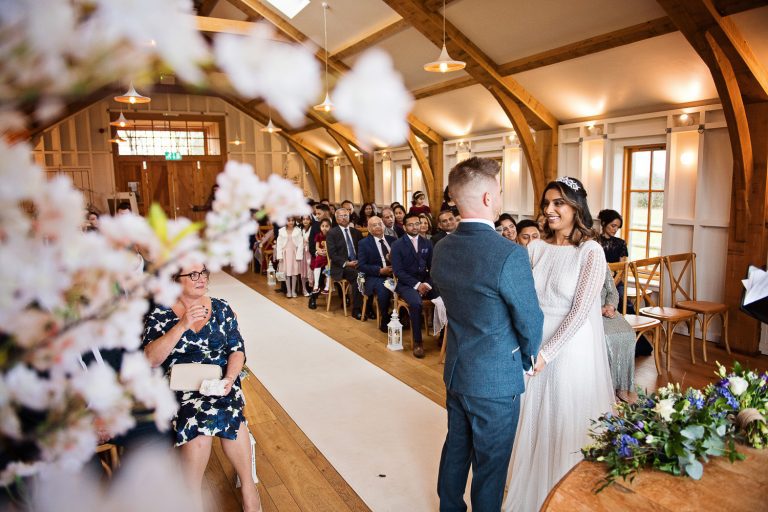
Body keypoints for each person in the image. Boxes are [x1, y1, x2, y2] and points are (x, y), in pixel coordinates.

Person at [432, 157, 543, 511]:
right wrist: (528, 356)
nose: (499, 198)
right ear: (484, 198)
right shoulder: (508, 254)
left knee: (456, 447)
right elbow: (530, 320)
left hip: (457, 369)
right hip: (495, 376)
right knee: (491, 465)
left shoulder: (443, 248)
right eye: (497, 191)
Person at [503, 176, 614, 512]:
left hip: (567, 348)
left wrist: (547, 354)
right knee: (531, 419)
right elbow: (523, 299)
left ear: (576, 207)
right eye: (547, 204)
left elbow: (581, 311)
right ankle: (529, 490)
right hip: (534, 339)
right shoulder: (535, 247)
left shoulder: (591, 251)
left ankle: (563, 496)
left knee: (561, 419)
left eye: (558, 203)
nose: (549, 210)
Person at [142, 264, 262, 512]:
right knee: (200, 426)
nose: (201, 278)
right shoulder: (161, 313)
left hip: (219, 380)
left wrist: (230, 378)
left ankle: (249, 489)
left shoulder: (221, 307)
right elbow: (151, 359)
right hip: (180, 386)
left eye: (203, 272)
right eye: (193, 274)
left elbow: (237, 351)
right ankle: (192, 496)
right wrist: (182, 325)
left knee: (230, 413)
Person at [391, 213, 440, 358]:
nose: (415, 227)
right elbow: (398, 271)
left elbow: (432, 267)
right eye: (411, 224)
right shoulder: (397, 245)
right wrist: (417, 285)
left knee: (443, 298)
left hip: (425, 282)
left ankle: (443, 336)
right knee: (416, 303)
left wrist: (426, 283)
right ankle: (418, 342)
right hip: (406, 284)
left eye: (417, 223)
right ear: (405, 227)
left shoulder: (427, 243)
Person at [600, 267, 635, 398]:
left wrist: (610, 306)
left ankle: (622, 386)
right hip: (592, 312)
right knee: (607, 338)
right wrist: (600, 310)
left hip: (607, 309)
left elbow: (613, 291)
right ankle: (609, 388)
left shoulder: (602, 263)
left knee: (628, 333)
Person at [357, 216, 396, 332]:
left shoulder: (393, 240)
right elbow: (362, 265)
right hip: (376, 275)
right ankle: (385, 318)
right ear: (369, 229)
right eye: (374, 225)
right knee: (383, 287)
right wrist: (379, 270)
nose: (378, 226)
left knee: (407, 287)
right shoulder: (363, 243)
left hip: (395, 274)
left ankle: (400, 316)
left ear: (384, 226)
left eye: (380, 224)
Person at [325, 207, 364, 319]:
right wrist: (347, 263)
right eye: (341, 216)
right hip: (341, 267)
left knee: (370, 273)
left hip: (358, 264)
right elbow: (333, 255)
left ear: (349, 217)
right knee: (358, 277)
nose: (343, 218)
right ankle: (357, 309)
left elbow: (362, 251)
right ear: (336, 219)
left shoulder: (356, 232)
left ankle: (368, 306)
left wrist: (359, 262)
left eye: (346, 215)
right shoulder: (332, 233)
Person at [276, 217, 305, 298]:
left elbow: (300, 243)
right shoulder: (281, 230)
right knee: (287, 273)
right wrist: (279, 255)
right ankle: (288, 291)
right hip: (285, 254)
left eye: (292, 220)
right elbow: (279, 244)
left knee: (294, 273)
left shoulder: (298, 230)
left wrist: (299, 255)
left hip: (294, 253)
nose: (291, 222)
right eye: (289, 220)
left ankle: (293, 291)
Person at [308, 218, 332, 309]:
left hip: (329, 256)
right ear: (320, 227)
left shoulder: (331, 235)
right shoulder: (318, 234)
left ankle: (327, 287)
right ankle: (316, 286)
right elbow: (316, 246)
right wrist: (319, 251)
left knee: (329, 268)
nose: (324, 228)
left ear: (330, 227)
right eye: (323, 226)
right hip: (320, 255)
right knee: (317, 264)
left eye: (327, 226)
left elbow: (333, 246)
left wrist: (327, 251)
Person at [299, 215, 314, 295]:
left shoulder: (312, 229)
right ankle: (304, 289)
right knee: (303, 270)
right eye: (303, 219)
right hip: (302, 252)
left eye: (307, 219)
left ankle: (311, 288)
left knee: (310, 270)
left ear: (310, 220)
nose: (305, 221)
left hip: (310, 252)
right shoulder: (299, 229)